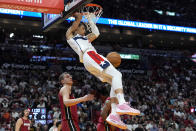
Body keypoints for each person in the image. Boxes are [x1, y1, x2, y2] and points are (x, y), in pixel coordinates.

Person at [66, 12, 140, 129]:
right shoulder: (72, 37)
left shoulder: (85, 39)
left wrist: (90, 20)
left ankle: (114, 114)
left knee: (113, 82)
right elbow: (74, 27)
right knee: (117, 74)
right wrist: (78, 18)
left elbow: (96, 33)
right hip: (90, 56)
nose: (84, 30)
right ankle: (121, 103)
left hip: (90, 60)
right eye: (82, 28)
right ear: (76, 29)